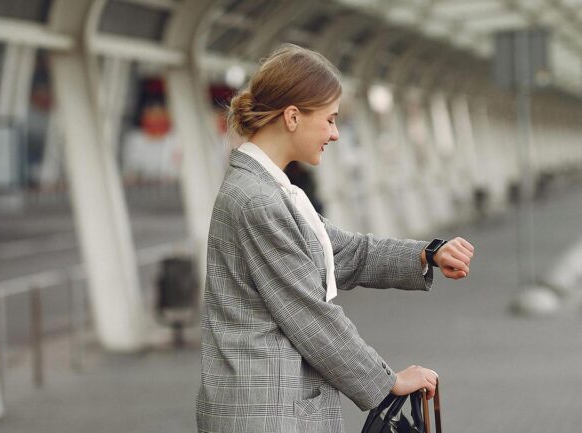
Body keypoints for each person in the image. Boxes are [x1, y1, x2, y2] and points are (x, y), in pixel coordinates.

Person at [196, 44, 475, 433]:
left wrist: (429, 254)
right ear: (292, 116)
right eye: (329, 120)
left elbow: (346, 252)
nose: (335, 133)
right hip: (266, 416)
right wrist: (386, 381)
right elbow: (307, 314)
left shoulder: (272, 191)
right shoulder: (258, 200)